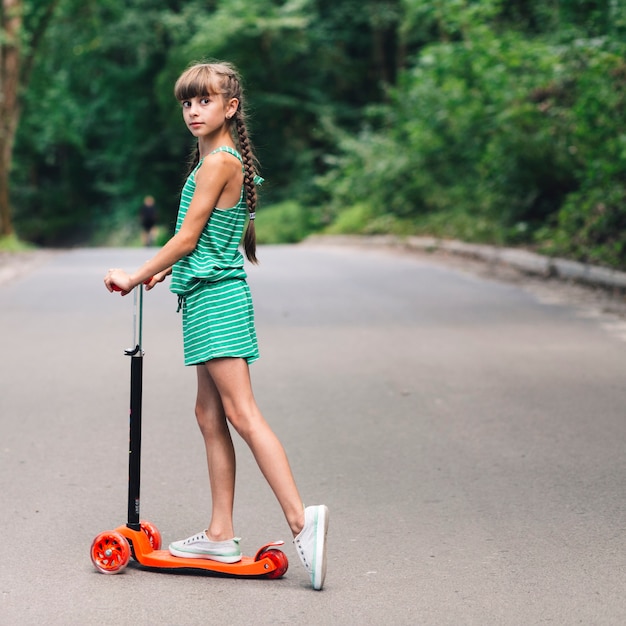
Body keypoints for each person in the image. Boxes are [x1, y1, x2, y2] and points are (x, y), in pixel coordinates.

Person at [103, 61, 329, 590]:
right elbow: (207, 243)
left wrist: (138, 274)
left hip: (219, 303)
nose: (193, 111)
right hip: (206, 298)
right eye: (187, 102)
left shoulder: (217, 164)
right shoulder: (219, 162)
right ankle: (221, 533)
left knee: (241, 413)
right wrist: (168, 275)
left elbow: (186, 237)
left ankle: (302, 521)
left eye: (204, 101)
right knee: (209, 413)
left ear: (230, 107)